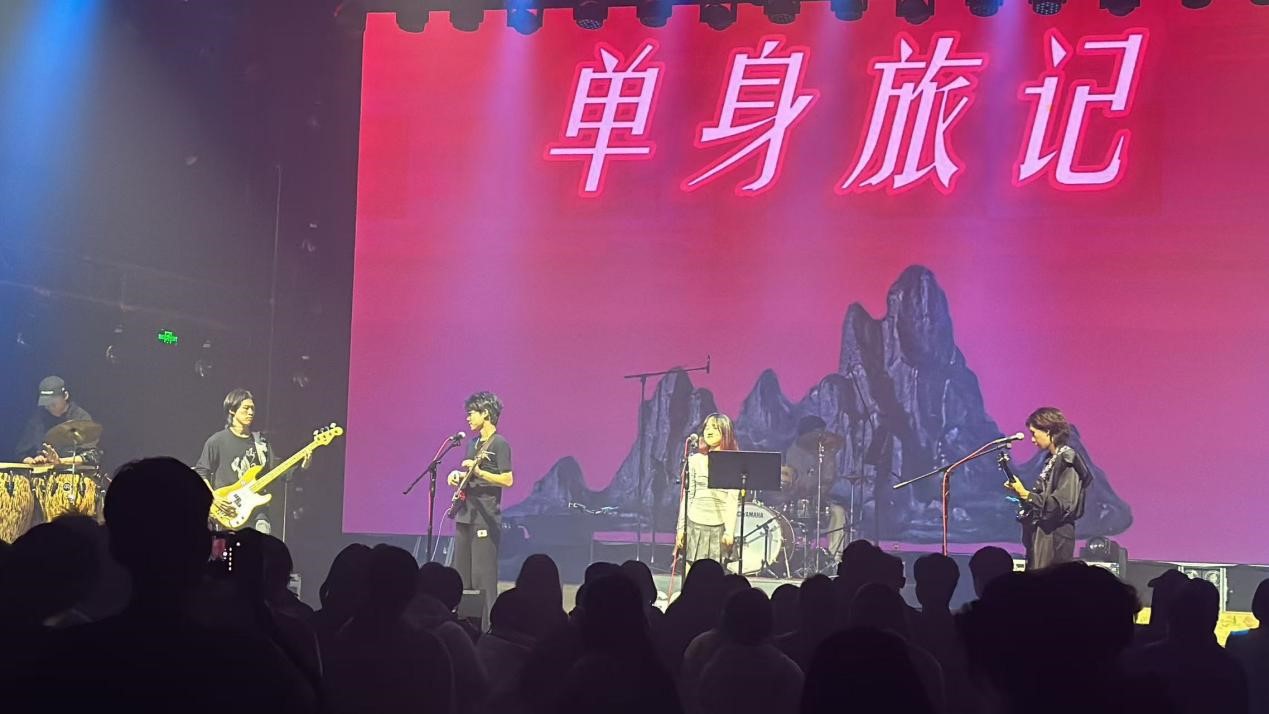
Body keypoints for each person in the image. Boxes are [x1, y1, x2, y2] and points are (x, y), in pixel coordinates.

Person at [193, 388, 308, 534]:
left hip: (257, 512)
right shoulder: (216, 441)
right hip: (228, 509)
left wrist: (303, 465)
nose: (251, 412)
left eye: (253, 408)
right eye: (246, 408)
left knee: (262, 539)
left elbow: (278, 472)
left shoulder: (261, 443)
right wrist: (213, 497)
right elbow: (201, 472)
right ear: (232, 410)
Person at [447, 391, 513, 625]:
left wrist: (479, 472)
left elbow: (507, 479)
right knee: (462, 577)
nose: (468, 418)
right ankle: (464, 625)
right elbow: (471, 477)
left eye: (471, 413)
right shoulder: (473, 444)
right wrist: (458, 475)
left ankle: (487, 627)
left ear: (485, 413)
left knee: (483, 579)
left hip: (486, 518)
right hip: (465, 514)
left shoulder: (500, 443)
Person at [1004, 407, 1092, 570]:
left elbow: (1062, 504)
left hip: (1055, 539)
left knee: (1048, 581)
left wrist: (1026, 494)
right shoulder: (1051, 459)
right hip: (1042, 536)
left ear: (1048, 430)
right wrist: (1021, 495)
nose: (1032, 440)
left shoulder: (1067, 459)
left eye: (1034, 433)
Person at [675, 413, 741, 568]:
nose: (709, 431)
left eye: (715, 428)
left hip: (719, 525)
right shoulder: (694, 460)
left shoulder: (733, 463)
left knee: (716, 573)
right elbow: (688, 497)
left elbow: (732, 500)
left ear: (725, 432)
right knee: (691, 573)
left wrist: (729, 531)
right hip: (694, 521)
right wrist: (680, 528)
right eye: (707, 427)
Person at [14, 375, 100, 467]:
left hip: (74, 472)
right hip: (45, 472)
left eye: (53, 404)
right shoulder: (38, 419)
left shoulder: (81, 417)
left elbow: (92, 456)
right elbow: (21, 453)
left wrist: (60, 461)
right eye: (46, 404)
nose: (48, 407)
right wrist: (32, 460)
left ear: (65, 396)